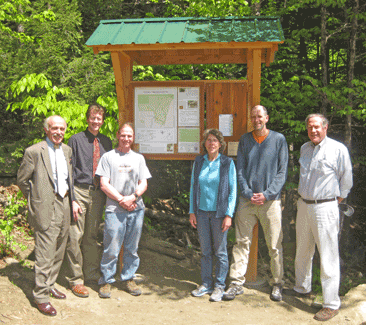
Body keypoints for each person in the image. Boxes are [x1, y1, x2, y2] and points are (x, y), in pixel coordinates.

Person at [223, 105, 288, 302]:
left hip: (271, 202)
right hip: (247, 200)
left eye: (259, 116)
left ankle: (277, 284)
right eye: (253, 117)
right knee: (241, 242)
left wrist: (267, 194)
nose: (256, 119)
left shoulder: (278, 140)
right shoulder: (245, 139)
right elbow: (239, 169)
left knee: (275, 245)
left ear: (266, 118)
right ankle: (236, 283)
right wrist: (248, 192)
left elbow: (282, 172)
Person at [294, 114, 353, 322]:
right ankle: (302, 288)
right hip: (304, 205)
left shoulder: (338, 149)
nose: (313, 131)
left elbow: (346, 180)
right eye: (310, 127)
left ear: (325, 127)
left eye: (317, 127)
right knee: (302, 251)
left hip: (326, 207)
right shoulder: (304, 148)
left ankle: (331, 304)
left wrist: (335, 201)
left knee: (328, 256)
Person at [17, 116, 75, 316]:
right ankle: (41, 297)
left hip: (64, 203)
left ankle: (50, 283)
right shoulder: (34, 151)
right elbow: (23, 180)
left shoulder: (67, 150)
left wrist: (71, 200)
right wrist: (35, 199)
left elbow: (69, 179)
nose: (59, 132)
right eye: (55, 128)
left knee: (59, 246)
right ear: (46, 130)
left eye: (62, 128)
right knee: (44, 252)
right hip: (44, 207)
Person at [95, 123, 151, 298]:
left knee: (132, 247)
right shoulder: (108, 157)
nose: (126, 139)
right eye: (124, 135)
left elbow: (144, 182)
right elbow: (104, 184)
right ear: (118, 135)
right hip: (114, 208)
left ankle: (128, 278)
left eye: (130, 136)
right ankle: (106, 280)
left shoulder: (139, 158)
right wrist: (121, 199)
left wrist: (132, 197)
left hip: (136, 208)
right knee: (111, 247)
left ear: (133, 138)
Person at [65, 104, 112, 298]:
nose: (96, 121)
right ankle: (76, 279)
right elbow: (68, 172)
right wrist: (72, 199)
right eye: (93, 118)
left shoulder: (106, 142)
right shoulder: (75, 140)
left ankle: (91, 273)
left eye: (99, 118)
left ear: (102, 120)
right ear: (87, 119)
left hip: (98, 193)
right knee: (75, 235)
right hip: (80, 191)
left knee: (91, 235)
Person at [189, 129, 237, 302]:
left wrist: (229, 215)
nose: (211, 143)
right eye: (208, 140)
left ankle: (219, 286)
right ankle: (206, 283)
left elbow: (233, 191)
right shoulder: (199, 161)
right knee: (205, 251)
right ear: (205, 143)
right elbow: (193, 186)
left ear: (220, 144)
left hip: (219, 214)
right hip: (201, 213)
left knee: (221, 252)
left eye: (215, 140)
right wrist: (192, 211)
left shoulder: (227, 163)